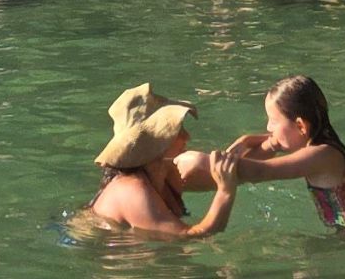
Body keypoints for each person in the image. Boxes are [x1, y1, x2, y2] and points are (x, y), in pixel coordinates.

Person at [190, 75, 345, 240]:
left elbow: (264, 171)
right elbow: (266, 147)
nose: (268, 127)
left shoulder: (321, 156)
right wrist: (246, 140)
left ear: (301, 125)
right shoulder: (316, 141)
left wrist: (205, 162)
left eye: (273, 121)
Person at [87, 83, 240, 238]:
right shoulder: (130, 190)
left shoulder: (161, 171)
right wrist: (225, 191)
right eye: (175, 130)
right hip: (100, 251)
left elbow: (244, 172)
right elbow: (187, 237)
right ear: (153, 143)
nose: (187, 136)